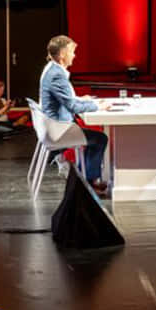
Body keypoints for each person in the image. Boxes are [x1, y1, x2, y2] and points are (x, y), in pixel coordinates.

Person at [37, 35, 106, 193]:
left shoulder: (51, 69)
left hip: (52, 127)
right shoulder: (57, 74)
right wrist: (97, 106)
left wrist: (81, 99)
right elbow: (72, 106)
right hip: (58, 131)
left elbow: (66, 99)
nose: (74, 55)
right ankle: (89, 182)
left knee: (94, 137)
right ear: (62, 54)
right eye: (72, 51)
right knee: (100, 139)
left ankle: (84, 178)